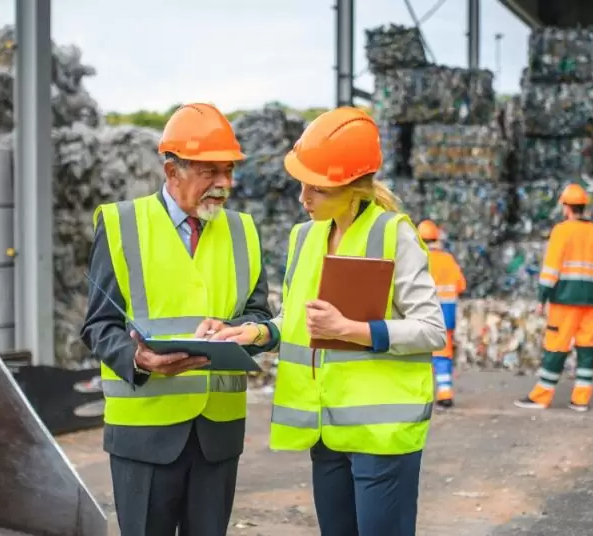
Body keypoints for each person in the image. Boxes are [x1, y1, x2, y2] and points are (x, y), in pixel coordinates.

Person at [209, 106, 447, 536]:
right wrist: (261, 331)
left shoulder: (394, 234)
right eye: (302, 184)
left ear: (352, 187)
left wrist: (351, 331)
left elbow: (432, 329)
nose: (304, 198)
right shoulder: (305, 236)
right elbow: (297, 318)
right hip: (327, 429)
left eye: (316, 189)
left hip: (382, 434)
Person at [80, 103, 276, 536]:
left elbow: (258, 314)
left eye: (228, 171)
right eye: (210, 172)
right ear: (172, 171)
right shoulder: (120, 225)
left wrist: (245, 332)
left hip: (217, 435)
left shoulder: (244, 231)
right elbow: (98, 325)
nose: (223, 184)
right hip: (144, 433)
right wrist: (139, 359)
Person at [515, 183, 593, 411]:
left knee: (556, 346)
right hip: (592, 302)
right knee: (586, 348)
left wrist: (541, 297)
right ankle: (581, 399)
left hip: (565, 300)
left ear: (566, 208)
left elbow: (551, 269)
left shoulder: (562, 231)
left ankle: (542, 396)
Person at [417, 219, 467, 408]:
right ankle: (445, 392)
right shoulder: (447, 259)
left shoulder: (417, 259)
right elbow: (461, 285)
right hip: (446, 315)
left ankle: (422, 396)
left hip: (423, 316)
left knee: (420, 356)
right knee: (443, 355)